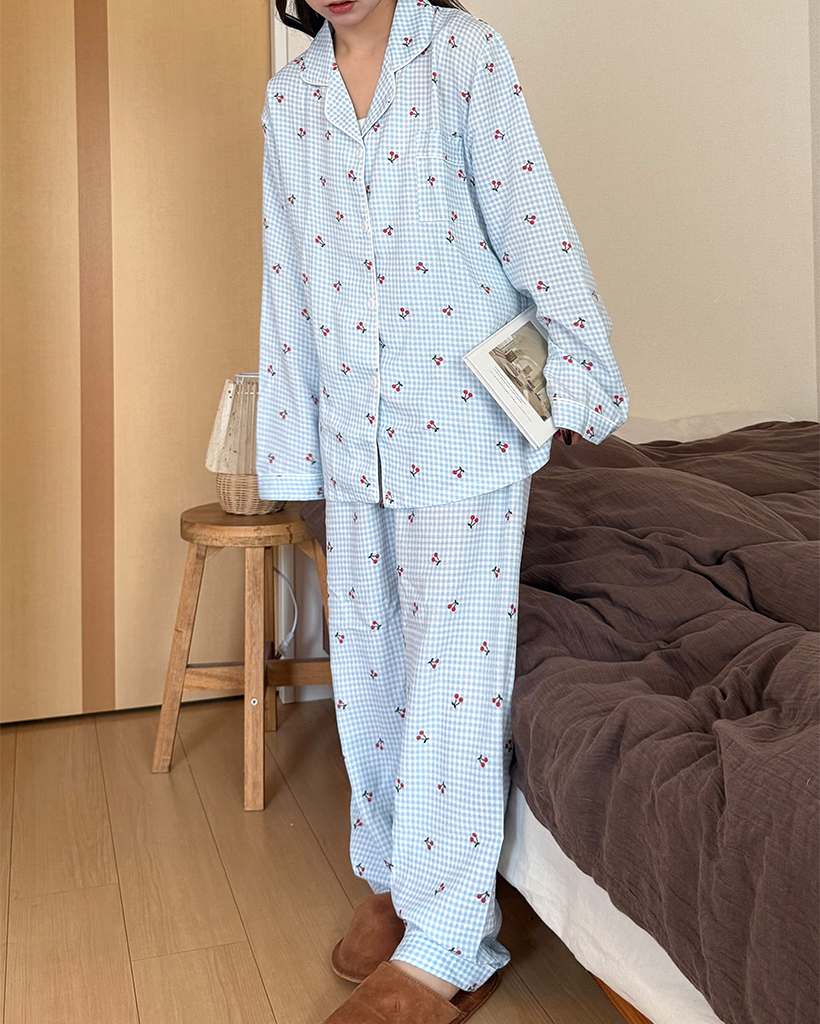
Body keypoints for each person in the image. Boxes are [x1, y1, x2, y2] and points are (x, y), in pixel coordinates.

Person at [256, 0, 629, 1018]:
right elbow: (287, 280)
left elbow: (531, 220)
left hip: (464, 421)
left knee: (451, 674)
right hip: (353, 431)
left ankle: (450, 939)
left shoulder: (461, 55)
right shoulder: (289, 100)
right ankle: (394, 876)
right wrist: (292, 444)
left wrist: (577, 380)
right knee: (368, 660)